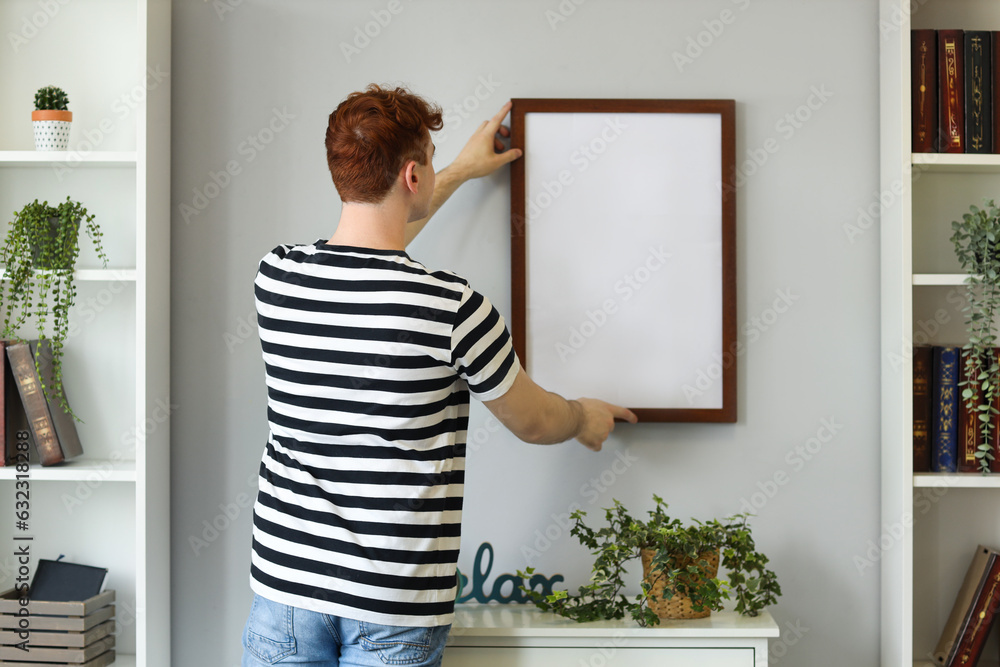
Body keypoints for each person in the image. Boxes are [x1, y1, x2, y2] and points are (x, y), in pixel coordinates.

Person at [241, 84, 638, 667]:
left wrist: (452, 173)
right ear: (411, 176)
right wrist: (582, 416)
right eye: (428, 158)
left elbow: (370, 258)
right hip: (393, 609)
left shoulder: (278, 277)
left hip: (285, 597)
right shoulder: (452, 307)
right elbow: (531, 420)